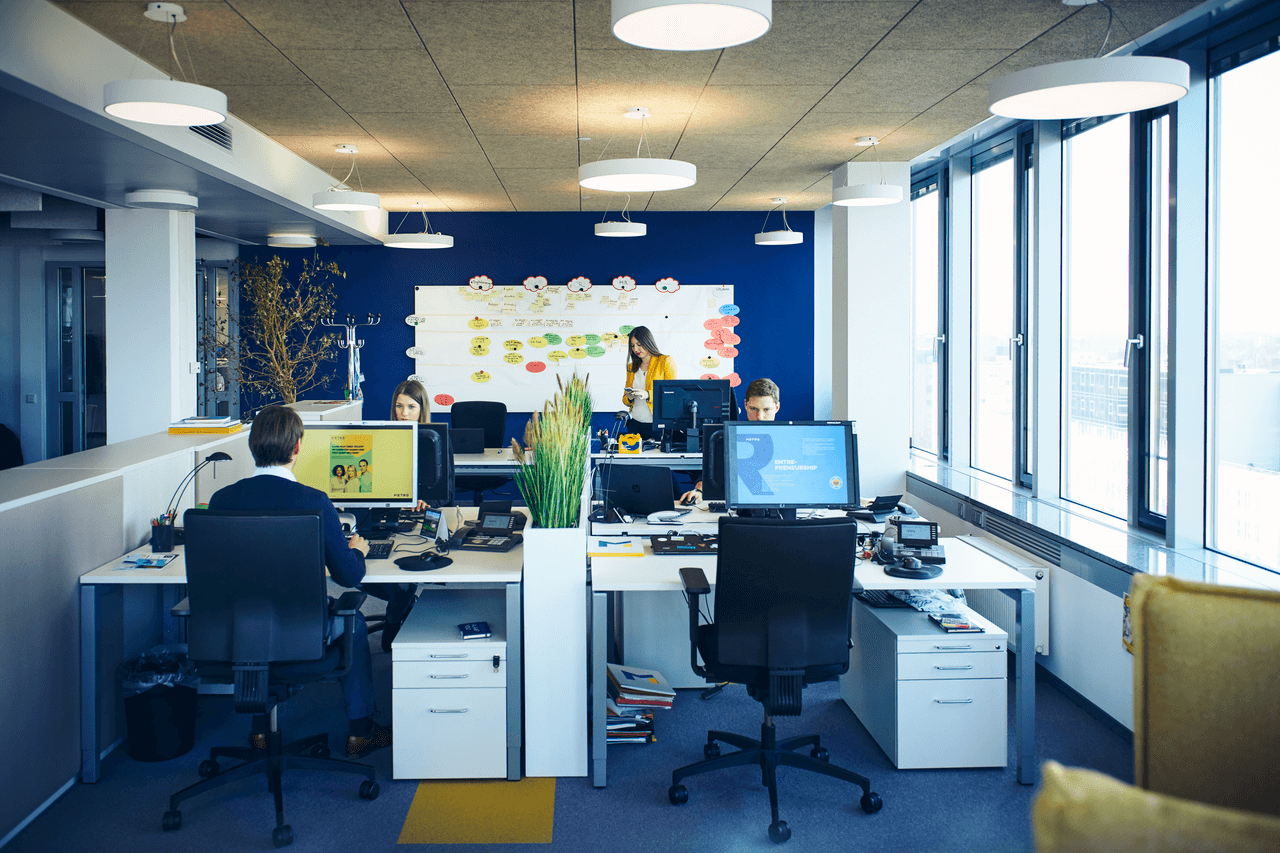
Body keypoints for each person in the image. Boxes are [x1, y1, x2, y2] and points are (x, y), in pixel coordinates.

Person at [206, 405, 391, 758]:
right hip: (302, 633)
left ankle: (260, 732)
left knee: (254, 615)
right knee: (354, 622)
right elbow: (349, 576)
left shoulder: (221, 500)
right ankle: (361, 732)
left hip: (239, 633)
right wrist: (357, 550)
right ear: (297, 447)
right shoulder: (314, 502)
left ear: (252, 446)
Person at [680, 377, 781, 505]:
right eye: (754, 409)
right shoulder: (729, 436)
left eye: (766, 409)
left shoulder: (788, 440)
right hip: (739, 505)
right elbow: (713, 472)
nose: (759, 417)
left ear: (777, 407)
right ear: (745, 405)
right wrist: (698, 491)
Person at [622, 325, 675, 441]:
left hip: (656, 425)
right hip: (634, 423)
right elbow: (625, 400)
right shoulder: (631, 367)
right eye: (632, 346)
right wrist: (629, 397)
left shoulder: (665, 361)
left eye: (639, 344)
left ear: (648, 342)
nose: (636, 349)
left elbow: (673, 394)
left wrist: (648, 395)